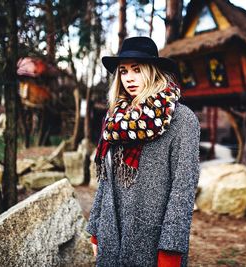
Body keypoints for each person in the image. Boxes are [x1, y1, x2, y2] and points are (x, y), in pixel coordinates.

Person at [86, 36, 200, 267]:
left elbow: (183, 189)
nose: (129, 78)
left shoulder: (182, 120)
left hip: (151, 239)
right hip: (111, 233)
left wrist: (171, 249)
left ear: (153, 71)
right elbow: (106, 181)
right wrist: (96, 229)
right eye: (124, 71)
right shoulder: (114, 120)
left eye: (137, 70)